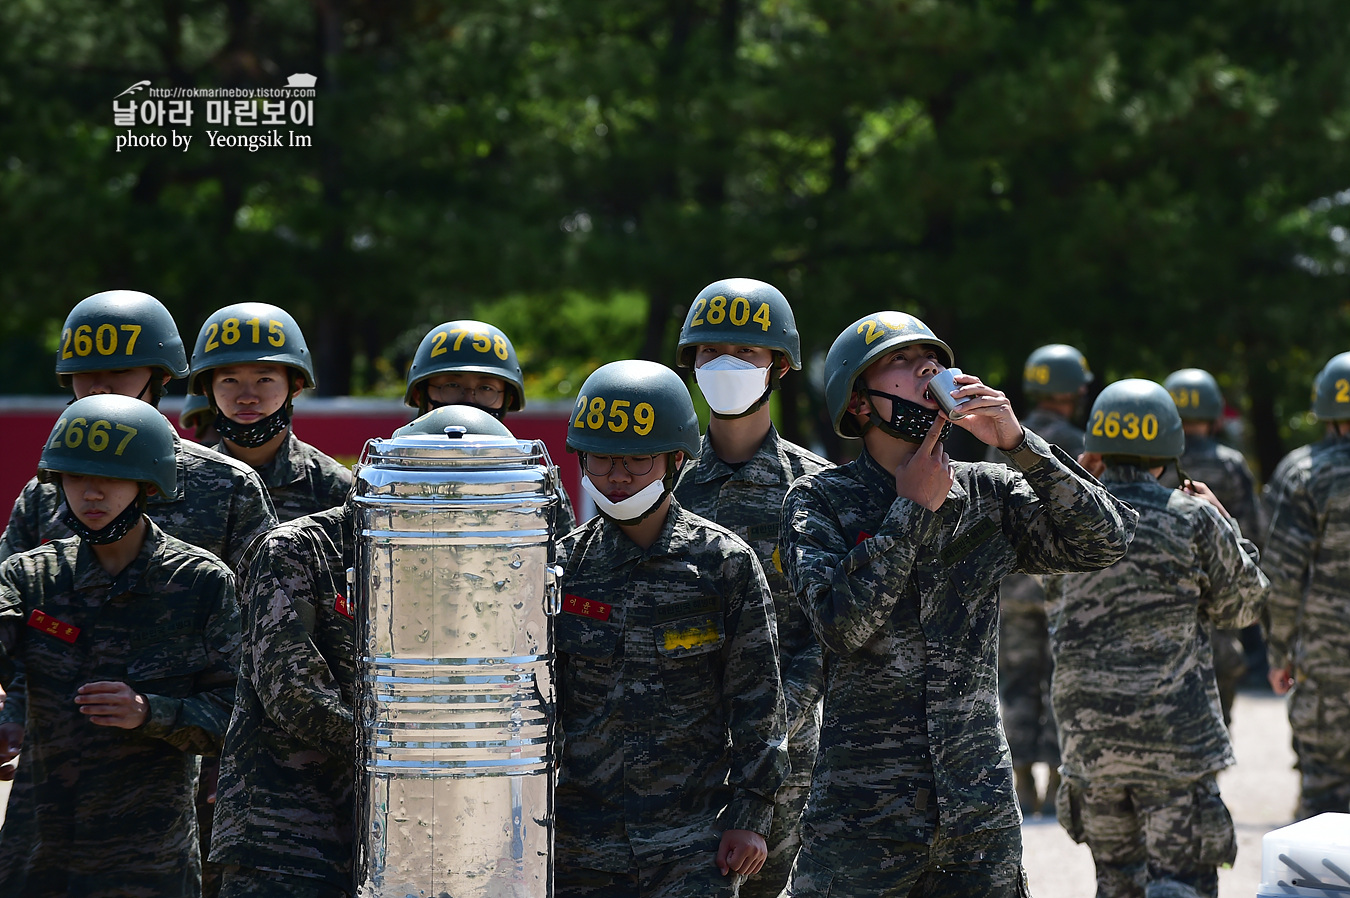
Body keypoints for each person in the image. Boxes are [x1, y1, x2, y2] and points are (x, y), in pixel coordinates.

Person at [779, 312, 1136, 896]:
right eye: (900, 360)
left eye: (933, 358)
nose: (928, 368)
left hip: (978, 814)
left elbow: (1106, 540)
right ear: (859, 402)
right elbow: (843, 627)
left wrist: (1020, 445)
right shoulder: (818, 502)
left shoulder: (986, 489)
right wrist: (912, 511)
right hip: (863, 824)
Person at [0, 289, 276, 897]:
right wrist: (16, 718)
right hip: (57, 777)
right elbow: (17, 627)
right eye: (85, 375)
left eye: (117, 372)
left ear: (158, 378)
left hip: (186, 771)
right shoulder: (45, 494)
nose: (99, 387)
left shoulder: (227, 487)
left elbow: (258, 637)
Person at [209, 404, 511, 897]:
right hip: (288, 830)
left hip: (415, 834)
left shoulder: (469, 563)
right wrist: (412, 757)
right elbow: (293, 690)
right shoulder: (300, 549)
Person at [555, 359, 788, 898]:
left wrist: (752, 813)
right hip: (581, 846)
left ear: (676, 459)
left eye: (637, 460)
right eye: (600, 460)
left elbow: (758, 701)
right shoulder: (561, 568)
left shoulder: (724, 563)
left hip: (693, 843)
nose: (616, 477)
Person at [1046, 378, 1267, 898]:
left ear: (1096, 447)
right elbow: (1243, 606)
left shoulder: (1072, 519)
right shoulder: (1193, 517)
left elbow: (1046, 594)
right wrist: (1227, 523)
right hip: (1174, 743)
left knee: (1117, 882)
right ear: (1169, 448)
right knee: (1182, 881)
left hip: (1090, 740)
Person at [672, 277, 830, 898]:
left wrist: (764, 729)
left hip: (788, 765)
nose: (726, 365)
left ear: (781, 367)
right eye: (711, 353)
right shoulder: (666, 488)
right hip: (684, 758)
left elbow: (827, 633)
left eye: (746, 353)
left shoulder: (816, 489)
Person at [987, 342, 1093, 816]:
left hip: (1012, 585)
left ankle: (1021, 780)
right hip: (1062, 586)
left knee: (1015, 683)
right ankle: (1055, 785)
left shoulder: (1000, 437)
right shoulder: (1077, 441)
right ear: (1075, 390)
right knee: (1058, 684)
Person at [1262, 351, 1350, 818]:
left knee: (1325, 798)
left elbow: (1282, 574)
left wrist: (1279, 653)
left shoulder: (1305, 472)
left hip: (1327, 661)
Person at [1159, 367, 1263, 725]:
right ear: (1215, 413)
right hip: (1217, 595)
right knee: (1221, 673)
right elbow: (1251, 532)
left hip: (1161, 591)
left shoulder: (1157, 460)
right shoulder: (1230, 464)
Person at [405, 318, 576, 532]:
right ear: (419, 394)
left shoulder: (533, 484)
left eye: (486, 388)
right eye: (451, 385)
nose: (468, 401)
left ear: (508, 400)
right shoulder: (388, 472)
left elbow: (562, 560)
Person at [188, 302, 352, 522]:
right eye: (230, 380)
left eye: (264, 380)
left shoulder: (336, 490)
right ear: (208, 390)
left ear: (295, 387)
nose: (246, 397)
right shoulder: (183, 487)